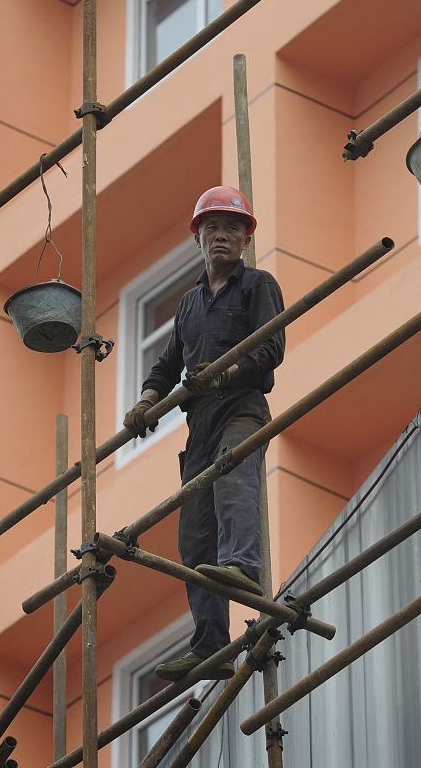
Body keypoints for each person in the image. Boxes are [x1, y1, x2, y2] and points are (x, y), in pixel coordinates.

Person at [122, 185, 285, 681]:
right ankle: (210, 646)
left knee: (233, 474)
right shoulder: (190, 303)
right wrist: (148, 401)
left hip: (242, 407)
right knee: (193, 534)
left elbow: (270, 347)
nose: (222, 236)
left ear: (245, 238)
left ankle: (243, 567)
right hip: (200, 423)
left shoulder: (258, 285)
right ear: (198, 236)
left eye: (232, 228)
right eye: (212, 227)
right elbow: (170, 362)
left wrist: (224, 373)